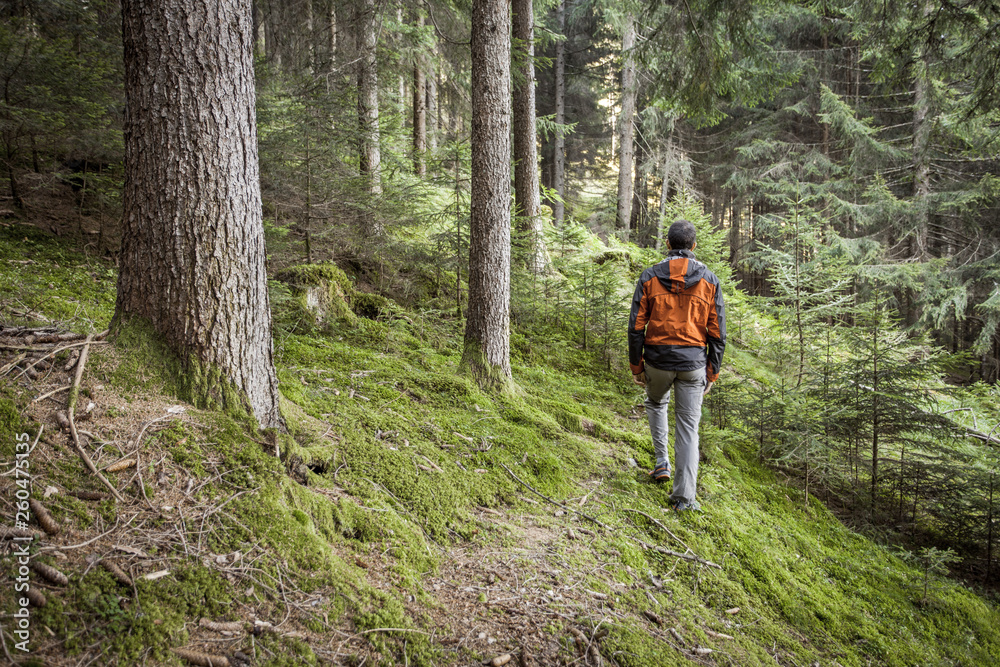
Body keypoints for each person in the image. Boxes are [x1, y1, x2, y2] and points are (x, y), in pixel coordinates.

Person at [628, 219, 726, 511]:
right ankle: (684, 498)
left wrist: (637, 366)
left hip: (657, 360)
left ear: (668, 244)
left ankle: (661, 464)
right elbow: (717, 332)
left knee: (656, 404)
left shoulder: (649, 277)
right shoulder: (709, 280)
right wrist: (713, 371)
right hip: (693, 364)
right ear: (693, 246)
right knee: (688, 428)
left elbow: (636, 328)